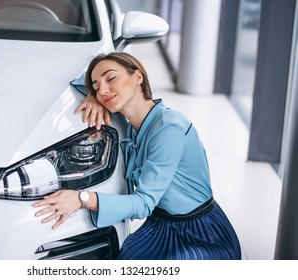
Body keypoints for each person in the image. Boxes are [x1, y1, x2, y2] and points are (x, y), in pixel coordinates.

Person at [33, 52, 241, 260]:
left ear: (138, 77)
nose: (103, 90)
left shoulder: (169, 128)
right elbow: (78, 78)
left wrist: (81, 198)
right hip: (160, 226)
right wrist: (91, 96)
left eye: (111, 78)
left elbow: (144, 203)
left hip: (200, 233)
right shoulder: (130, 123)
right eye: (97, 87)